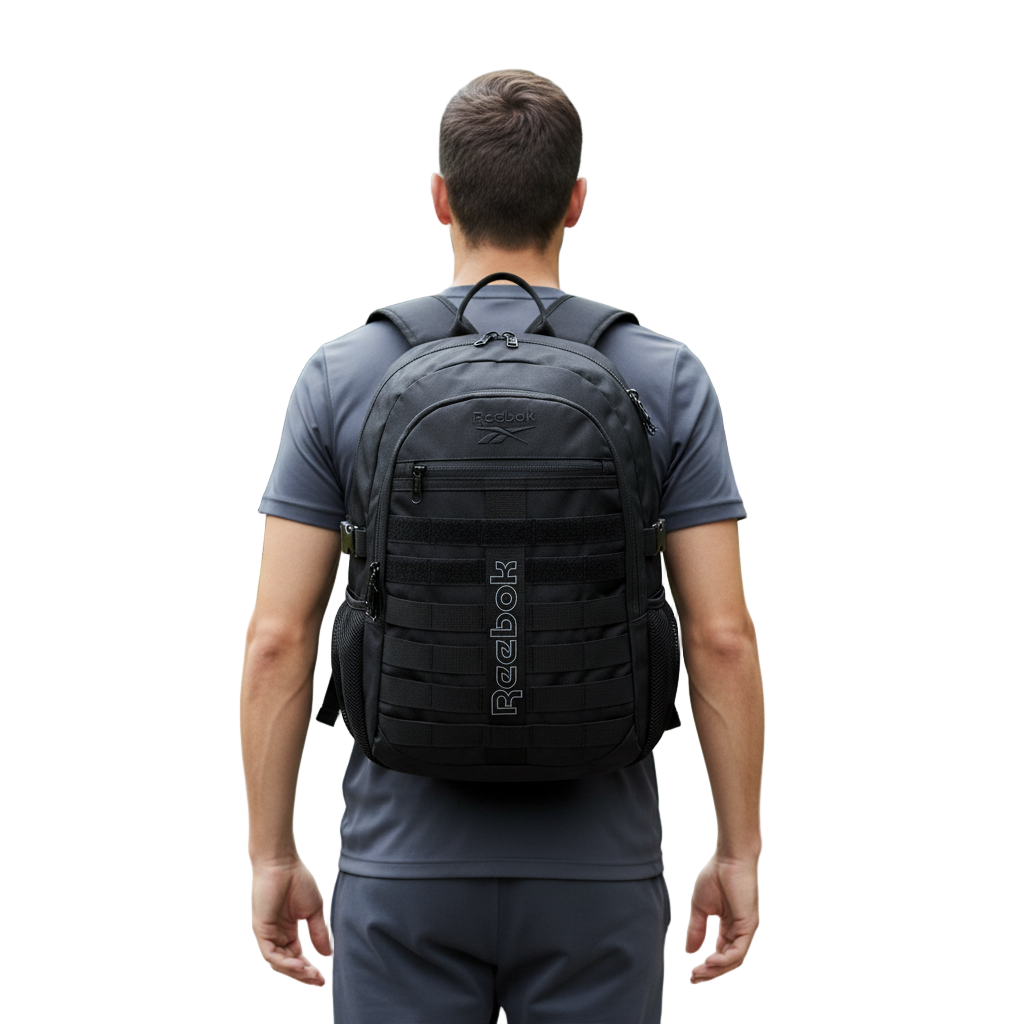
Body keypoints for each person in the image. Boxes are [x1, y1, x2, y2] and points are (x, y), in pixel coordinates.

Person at [241, 69, 764, 1024]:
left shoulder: (344, 374)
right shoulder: (665, 376)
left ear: (440, 198)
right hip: (599, 874)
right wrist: (739, 850)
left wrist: (272, 854)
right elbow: (721, 636)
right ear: (576, 202)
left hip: (401, 869)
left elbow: (279, 638)